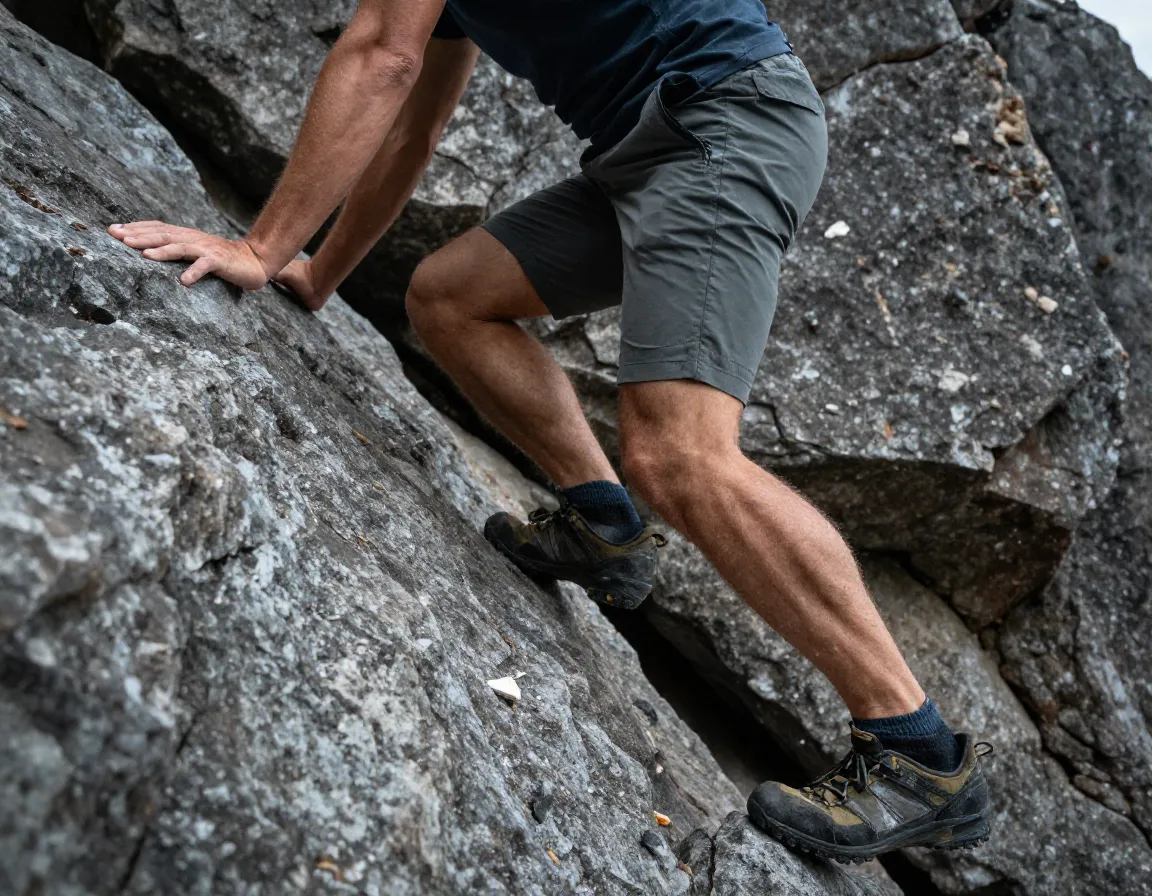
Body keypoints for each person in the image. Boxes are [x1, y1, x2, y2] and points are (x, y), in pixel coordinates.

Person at [109, 0, 992, 862]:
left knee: (681, 454)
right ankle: (602, 528)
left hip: (722, 118)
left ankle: (918, 754)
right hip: (653, 141)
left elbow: (383, 52)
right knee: (450, 298)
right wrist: (316, 272)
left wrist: (259, 251)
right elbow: (410, 127)